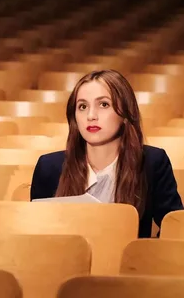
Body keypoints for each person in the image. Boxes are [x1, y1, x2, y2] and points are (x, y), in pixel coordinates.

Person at [30, 69, 183, 238]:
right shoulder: (49, 167)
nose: (91, 116)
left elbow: (175, 230)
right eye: (82, 107)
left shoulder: (152, 162)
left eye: (103, 104)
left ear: (125, 114)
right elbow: (39, 237)